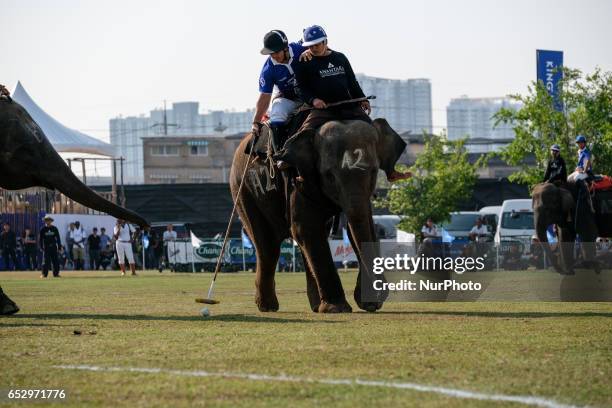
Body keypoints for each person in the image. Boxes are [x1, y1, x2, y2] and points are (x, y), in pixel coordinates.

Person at [292, 25, 410, 182]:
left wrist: (362, 98)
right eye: (310, 46)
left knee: (379, 131)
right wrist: (314, 100)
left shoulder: (340, 58)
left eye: (317, 44)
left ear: (325, 41)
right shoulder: (303, 62)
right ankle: (304, 173)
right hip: (322, 110)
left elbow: (352, 82)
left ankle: (391, 171)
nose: (314, 48)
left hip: (348, 106)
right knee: (302, 137)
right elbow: (300, 88)